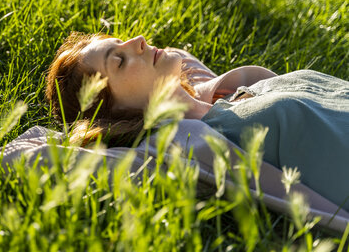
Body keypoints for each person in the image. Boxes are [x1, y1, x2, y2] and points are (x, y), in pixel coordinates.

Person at [45, 32, 349, 212]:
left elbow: (181, 54)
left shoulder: (226, 96)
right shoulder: (215, 143)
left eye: (123, 41)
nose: (138, 40)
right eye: (119, 60)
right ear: (115, 112)